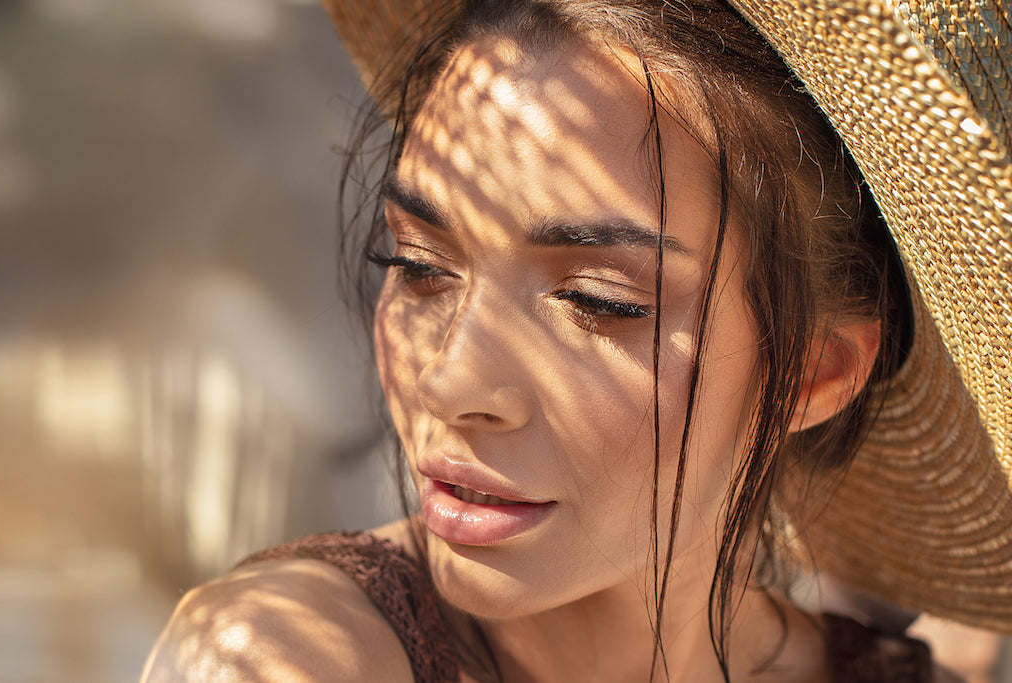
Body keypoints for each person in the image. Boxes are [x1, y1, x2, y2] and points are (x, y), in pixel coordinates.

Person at [140, 0, 1012, 681]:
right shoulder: (283, 653)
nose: (449, 382)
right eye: (416, 264)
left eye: (597, 301)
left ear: (814, 375)